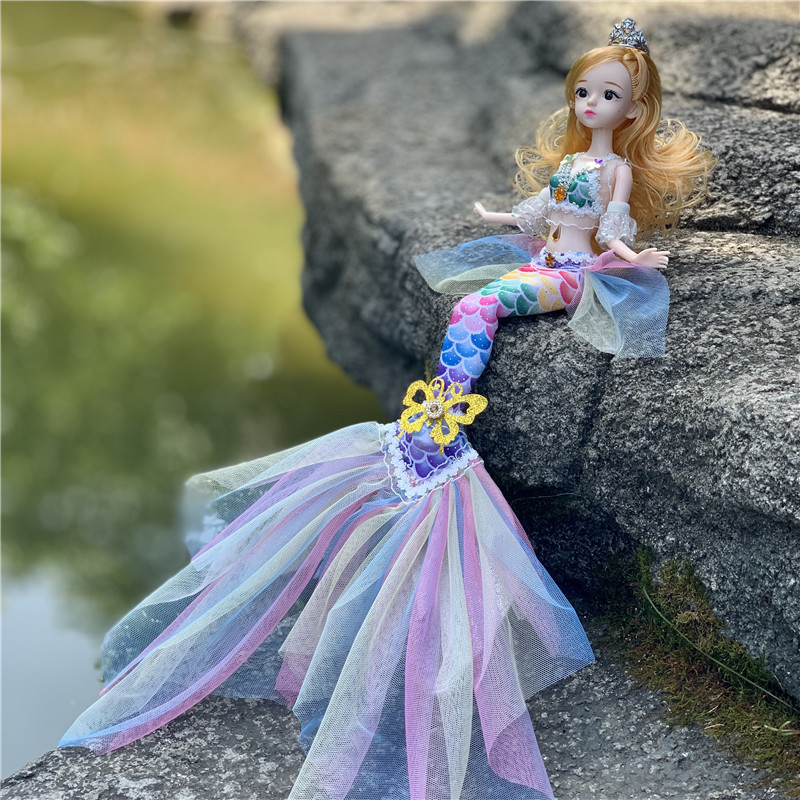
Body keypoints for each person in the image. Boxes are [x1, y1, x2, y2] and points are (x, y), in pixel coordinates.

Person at [60, 19, 713, 800]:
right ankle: (436, 414)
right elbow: (541, 207)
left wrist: (634, 257)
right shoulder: (576, 162)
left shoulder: (613, 173)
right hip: (544, 253)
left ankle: (441, 419)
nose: (591, 103)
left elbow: (611, 229)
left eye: (608, 95)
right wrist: (504, 220)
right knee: (476, 301)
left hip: (574, 273)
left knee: (477, 308)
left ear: (634, 109)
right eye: (584, 90)